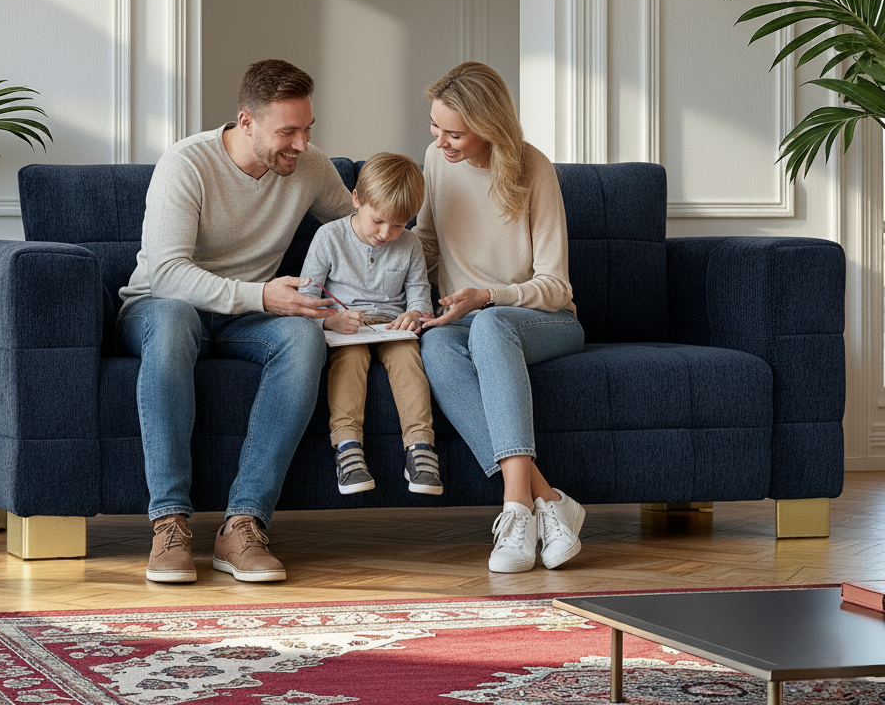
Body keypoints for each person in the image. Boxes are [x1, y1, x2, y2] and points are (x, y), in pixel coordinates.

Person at [117, 59, 354, 584]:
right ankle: (169, 523)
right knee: (177, 320)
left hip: (244, 317)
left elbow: (359, 229)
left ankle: (244, 523)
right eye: (287, 131)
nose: (301, 143)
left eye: (308, 128)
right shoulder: (187, 164)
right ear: (246, 122)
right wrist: (262, 295)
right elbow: (169, 276)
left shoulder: (310, 166)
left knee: (302, 335)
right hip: (159, 307)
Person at [414, 61, 586, 573]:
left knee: (490, 323)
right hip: (460, 321)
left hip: (543, 321)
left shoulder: (534, 169)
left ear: (489, 126)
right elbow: (424, 244)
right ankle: (551, 503)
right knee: (435, 347)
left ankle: (514, 508)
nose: (442, 142)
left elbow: (557, 287)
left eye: (455, 133)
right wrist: (404, 299)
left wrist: (489, 295)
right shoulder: (435, 160)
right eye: (435, 128)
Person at [299, 152, 442, 498]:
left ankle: (420, 450)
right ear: (357, 199)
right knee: (348, 363)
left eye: (398, 224)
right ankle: (348, 449)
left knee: (409, 360)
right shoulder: (328, 238)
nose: (385, 233)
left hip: (393, 327)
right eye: (378, 221)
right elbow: (305, 298)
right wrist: (330, 319)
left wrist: (416, 314)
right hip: (346, 330)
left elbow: (420, 296)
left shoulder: (409, 246)